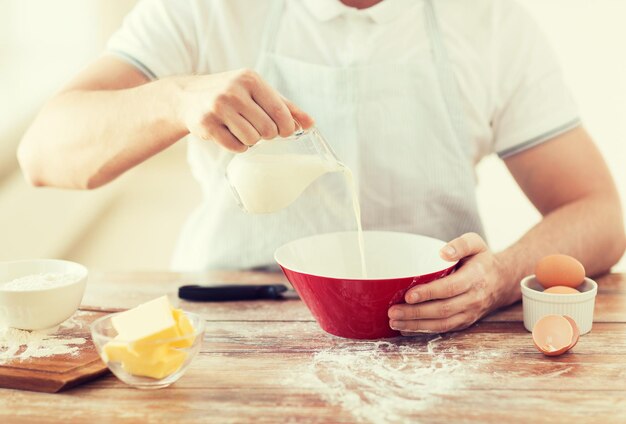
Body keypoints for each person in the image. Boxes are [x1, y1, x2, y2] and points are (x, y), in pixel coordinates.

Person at [18, 0, 625, 334]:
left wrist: (497, 280)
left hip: (433, 332)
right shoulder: (205, 9)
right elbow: (44, 153)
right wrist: (175, 100)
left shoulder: (492, 25)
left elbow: (600, 214)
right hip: (227, 328)